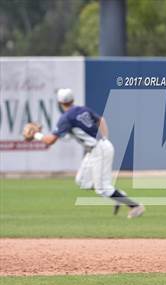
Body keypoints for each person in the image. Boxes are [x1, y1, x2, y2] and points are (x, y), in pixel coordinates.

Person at [30, 88, 144, 219]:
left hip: (99, 149)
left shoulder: (66, 118)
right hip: (96, 149)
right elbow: (101, 119)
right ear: (72, 99)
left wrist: (35, 135)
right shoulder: (82, 109)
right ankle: (117, 194)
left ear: (60, 103)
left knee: (102, 189)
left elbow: (50, 141)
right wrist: (105, 137)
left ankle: (135, 206)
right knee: (82, 181)